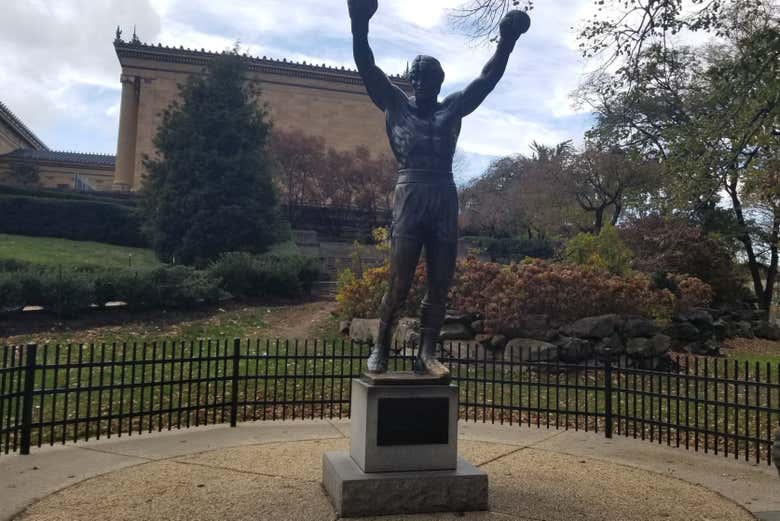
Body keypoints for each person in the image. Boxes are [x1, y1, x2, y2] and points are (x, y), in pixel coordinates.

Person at [348, 0, 529, 376]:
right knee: (398, 283)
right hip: (410, 193)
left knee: (440, 283)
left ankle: (426, 354)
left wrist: (506, 43)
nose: (418, 83)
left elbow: (487, 80)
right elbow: (367, 65)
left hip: (443, 194)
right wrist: (359, 23)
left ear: (438, 81)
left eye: (425, 78)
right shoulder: (395, 105)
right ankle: (381, 346)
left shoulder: (452, 109)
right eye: (414, 77)